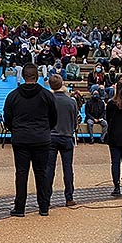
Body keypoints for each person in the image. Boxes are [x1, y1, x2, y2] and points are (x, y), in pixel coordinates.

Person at [3, 62, 57, 217]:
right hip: (41, 137)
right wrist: (45, 129)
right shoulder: (47, 95)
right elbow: (54, 117)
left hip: (21, 138)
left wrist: (16, 130)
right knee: (41, 172)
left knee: (21, 173)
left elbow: (8, 118)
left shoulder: (13, 96)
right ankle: (44, 207)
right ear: (37, 76)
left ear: (22, 76)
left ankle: (20, 208)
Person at [47, 74, 78, 207]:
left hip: (51, 137)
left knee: (49, 169)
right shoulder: (71, 101)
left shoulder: (48, 101)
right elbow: (75, 121)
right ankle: (69, 197)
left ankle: (46, 199)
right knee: (68, 168)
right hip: (66, 136)